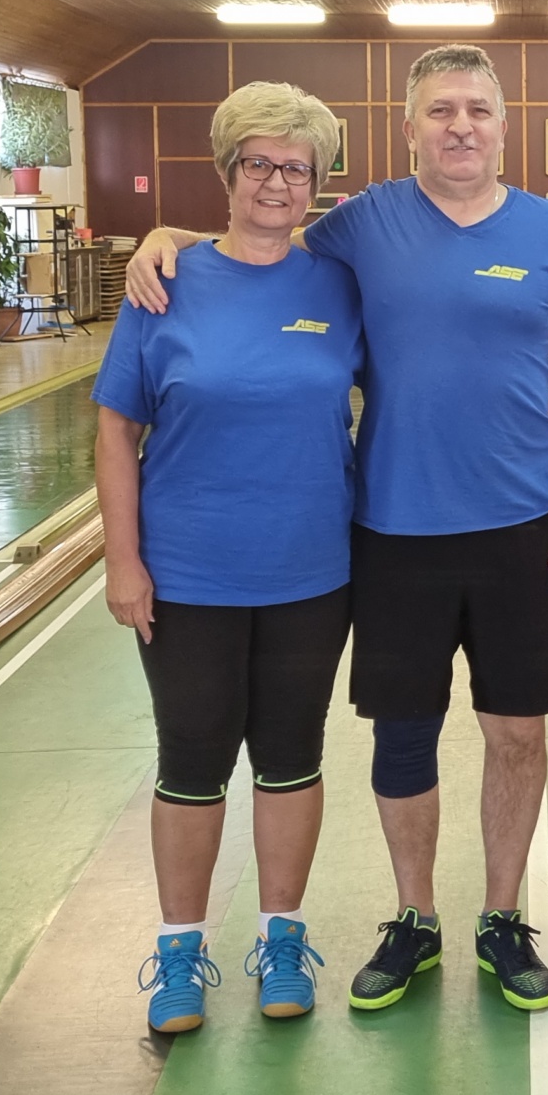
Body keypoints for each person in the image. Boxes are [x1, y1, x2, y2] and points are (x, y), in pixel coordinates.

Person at [124, 46, 548, 1015]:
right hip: (390, 527)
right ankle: (414, 916)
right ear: (408, 126)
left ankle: (502, 917)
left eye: (477, 109)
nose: (460, 126)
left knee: (517, 732)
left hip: (523, 524)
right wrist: (161, 234)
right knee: (405, 732)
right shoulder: (362, 224)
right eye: (440, 110)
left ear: (504, 122)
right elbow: (256, 233)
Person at [93, 81, 360, 1036]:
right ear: (228, 170)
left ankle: (282, 939)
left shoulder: (339, 284)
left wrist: (533, 385)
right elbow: (116, 431)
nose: (277, 183)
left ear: (318, 184)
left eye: (297, 168)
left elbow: (424, 362)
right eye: (259, 163)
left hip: (311, 571)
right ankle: (180, 952)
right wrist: (123, 561)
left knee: (292, 757)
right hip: (188, 573)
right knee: (192, 759)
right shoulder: (163, 282)